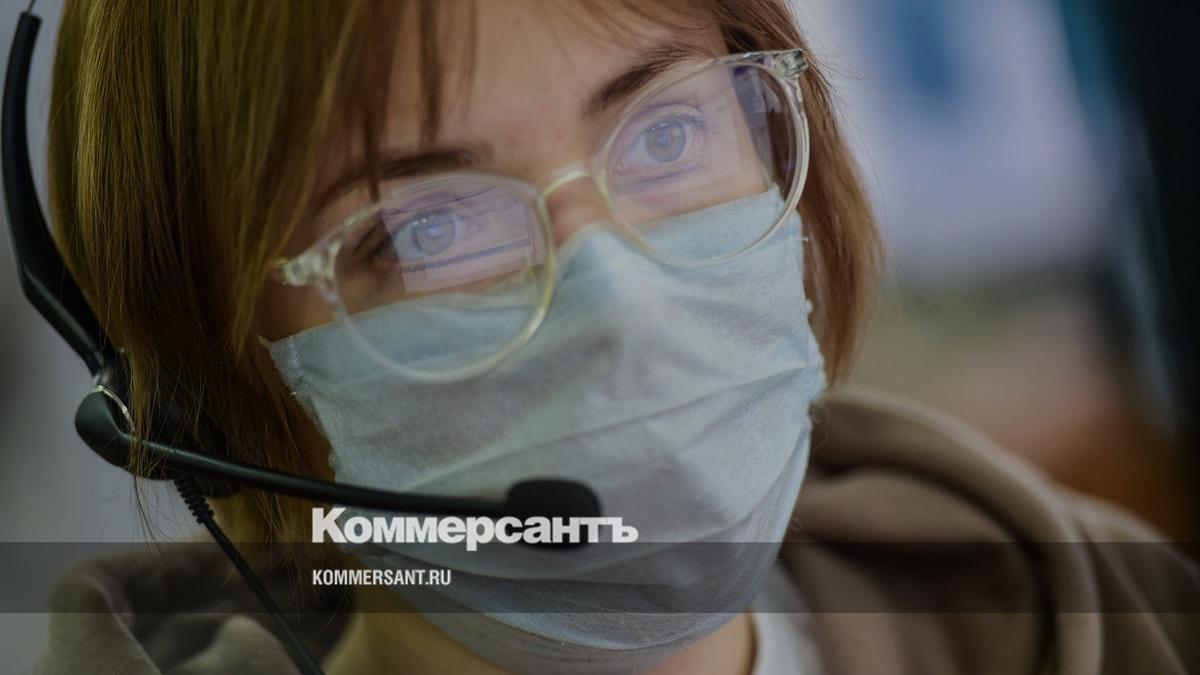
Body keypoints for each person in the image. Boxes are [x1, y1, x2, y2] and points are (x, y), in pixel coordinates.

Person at [32, 1, 1197, 674]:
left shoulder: (1129, 620)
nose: (622, 300)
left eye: (666, 136)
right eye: (428, 228)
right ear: (205, 388)